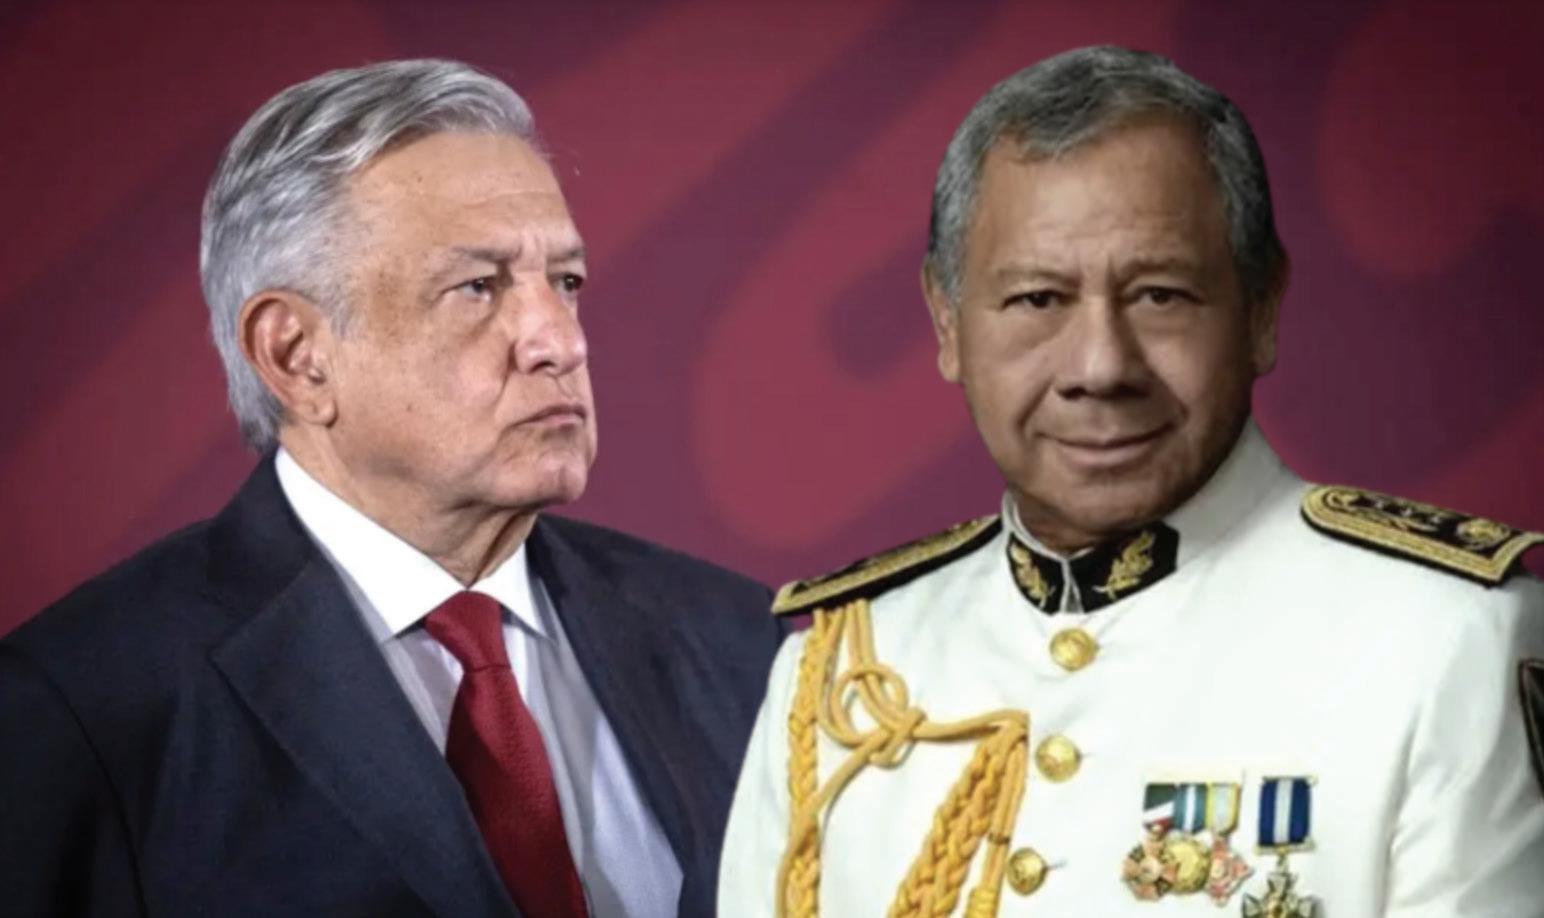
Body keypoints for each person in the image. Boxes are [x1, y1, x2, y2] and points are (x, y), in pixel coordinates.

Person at [719, 45, 1544, 917]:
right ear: (947, 323)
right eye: (1038, 299)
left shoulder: (1449, 640)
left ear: (1263, 309)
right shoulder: (840, 674)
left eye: (1160, 295)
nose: (1101, 367)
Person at [0, 60, 782, 918]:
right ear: (297, 356)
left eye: (565, 282)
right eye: (477, 287)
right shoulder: (83, 708)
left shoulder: (743, 642)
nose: (560, 341)